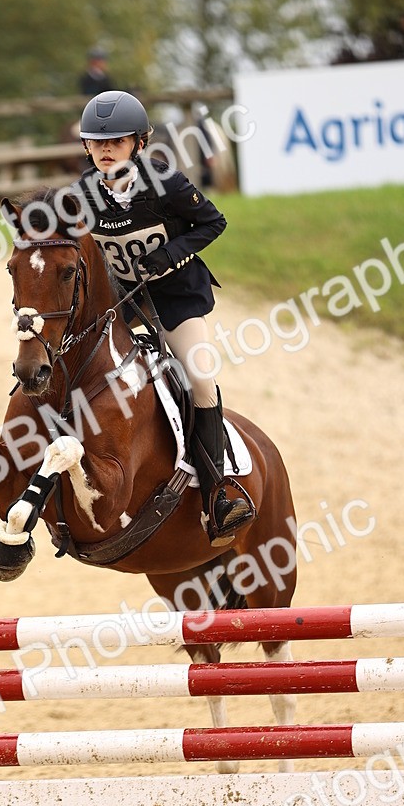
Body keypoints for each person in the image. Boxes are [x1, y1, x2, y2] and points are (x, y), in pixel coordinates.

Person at [73, 89, 253, 544]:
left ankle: (218, 496)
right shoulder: (83, 194)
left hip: (174, 299)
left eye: (117, 140)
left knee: (200, 378)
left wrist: (169, 254)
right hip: (121, 302)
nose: (106, 149)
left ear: (139, 142)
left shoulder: (166, 183)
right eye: (97, 142)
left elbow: (214, 222)